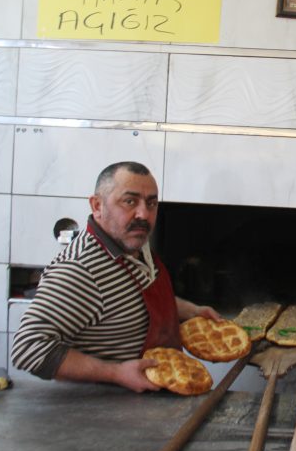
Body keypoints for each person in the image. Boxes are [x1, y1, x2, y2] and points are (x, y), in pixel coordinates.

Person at [12, 161, 221, 392]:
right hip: (111, 411)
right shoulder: (79, 269)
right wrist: (115, 373)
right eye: (129, 201)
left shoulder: (134, 243)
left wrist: (191, 310)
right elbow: (28, 348)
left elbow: (139, 298)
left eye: (151, 203)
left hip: (156, 397)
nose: (143, 214)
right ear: (97, 205)